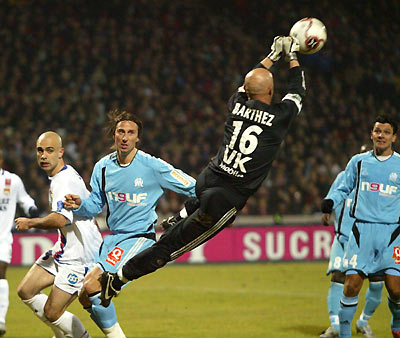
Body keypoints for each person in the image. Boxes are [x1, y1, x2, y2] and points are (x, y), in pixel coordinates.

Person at [96, 35, 307, 307]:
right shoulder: (279, 118)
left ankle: (181, 215)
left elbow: (247, 82)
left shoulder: (236, 104)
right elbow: (298, 90)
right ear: (269, 92)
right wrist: (292, 57)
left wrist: (272, 55)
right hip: (224, 198)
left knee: (182, 222)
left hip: (207, 178)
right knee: (169, 248)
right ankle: (120, 279)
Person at [63, 110, 196, 338]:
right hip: (113, 239)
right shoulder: (102, 167)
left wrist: (194, 210)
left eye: (130, 133)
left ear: (137, 138)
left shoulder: (152, 166)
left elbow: (193, 186)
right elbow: (96, 204)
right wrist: (79, 205)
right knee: (85, 295)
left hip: (138, 238)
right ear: (114, 135)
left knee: (94, 285)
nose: (125, 137)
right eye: (120, 132)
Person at [15, 131, 103, 338]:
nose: (44, 155)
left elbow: (61, 219)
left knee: (53, 312)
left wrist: (31, 222)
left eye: (49, 150)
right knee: (26, 290)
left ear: (61, 152)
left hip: (80, 255)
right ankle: (63, 335)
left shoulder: (64, 181)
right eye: (40, 151)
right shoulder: (61, 175)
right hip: (65, 247)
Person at [320, 115, 400, 338]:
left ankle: (396, 322)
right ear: (371, 134)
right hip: (361, 231)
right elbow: (343, 188)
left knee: (395, 289)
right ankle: (344, 333)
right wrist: (330, 202)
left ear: (394, 137)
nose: (381, 135)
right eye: (377, 131)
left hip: (392, 233)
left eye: (386, 132)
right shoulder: (358, 162)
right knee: (351, 284)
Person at [320, 145, 384, 338]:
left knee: (377, 283)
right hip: (344, 240)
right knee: (338, 278)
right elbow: (332, 197)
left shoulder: (380, 179)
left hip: (373, 239)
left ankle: (363, 322)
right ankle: (336, 326)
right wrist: (327, 210)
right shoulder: (343, 177)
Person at [0, 150, 38, 336]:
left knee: (0, 273)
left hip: (2, 238)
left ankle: (0, 319)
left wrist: (31, 209)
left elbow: (24, 198)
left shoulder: (12, 180)